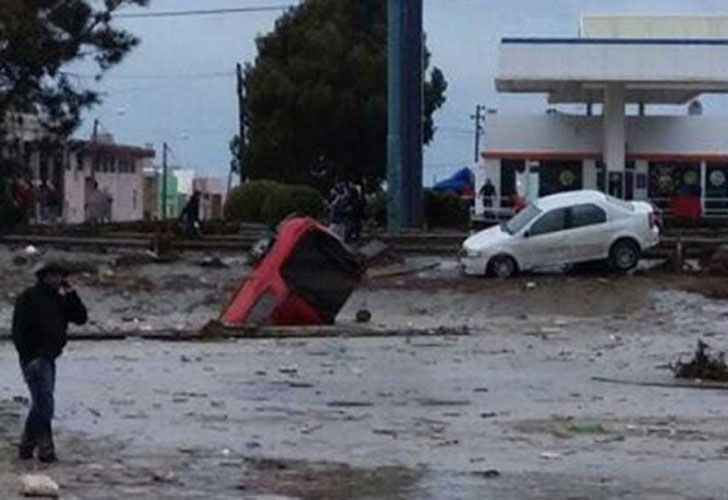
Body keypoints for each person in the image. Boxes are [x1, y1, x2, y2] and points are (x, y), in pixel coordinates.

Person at [12, 261, 88, 462]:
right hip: (34, 359)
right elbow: (18, 331)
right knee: (45, 403)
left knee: (42, 402)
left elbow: (81, 318)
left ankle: (27, 445)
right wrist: (29, 357)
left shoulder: (60, 300)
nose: (58, 279)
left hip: (50, 357)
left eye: (61, 275)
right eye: (54, 275)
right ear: (44, 276)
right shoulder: (28, 298)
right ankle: (45, 448)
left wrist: (72, 294)